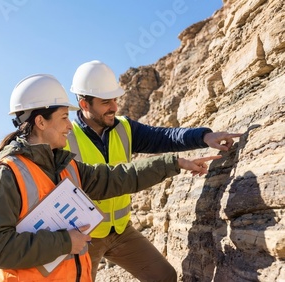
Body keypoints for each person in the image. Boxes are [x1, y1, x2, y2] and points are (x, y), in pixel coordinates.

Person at [0, 73, 221, 281]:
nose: (68, 125)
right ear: (41, 121)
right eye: (64, 118)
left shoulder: (66, 165)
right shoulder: (6, 175)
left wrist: (175, 162)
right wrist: (64, 242)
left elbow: (117, 177)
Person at [65, 60, 243, 281]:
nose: (114, 107)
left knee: (164, 277)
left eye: (114, 99)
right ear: (84, 104)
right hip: (84, 236)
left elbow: (164, 137)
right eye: (105, 102)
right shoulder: (65, 138)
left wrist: (205, 136)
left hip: (120, 231)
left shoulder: (124, 127)